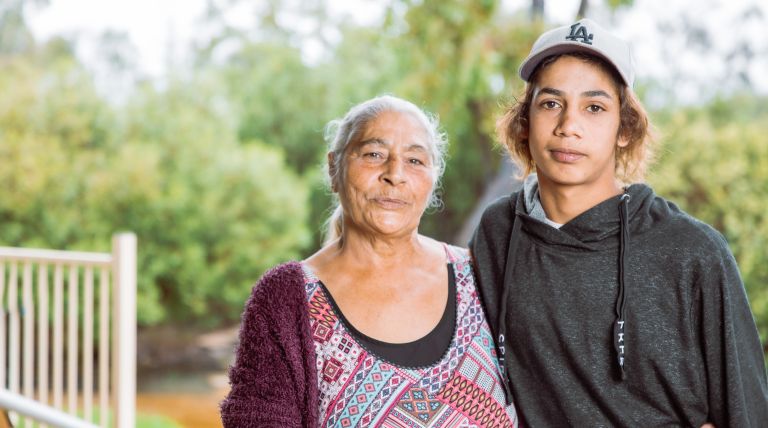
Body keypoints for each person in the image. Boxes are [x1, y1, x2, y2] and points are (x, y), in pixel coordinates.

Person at [470, 18, 768, 427]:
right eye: (551, 103)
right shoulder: (499, 232)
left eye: (594, 107)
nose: (568, 126)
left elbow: (747, 410)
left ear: (624, 129)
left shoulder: (693, 252)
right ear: (525, 122)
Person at [221, 95, 518, 427]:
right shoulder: (286, 301)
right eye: (374, 154)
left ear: (433, 179)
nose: (395, 174)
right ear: (335, 168)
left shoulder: (481, 275)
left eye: (415, 160)